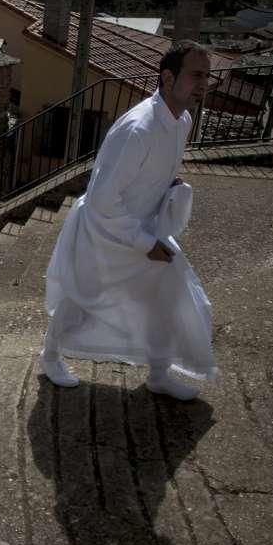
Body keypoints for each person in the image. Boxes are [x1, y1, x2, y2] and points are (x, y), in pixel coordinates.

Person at [40, 40, 218, 400]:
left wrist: (168, 185)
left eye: (208, 76)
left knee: (168, 294)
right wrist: (143, 242)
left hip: (144, 227)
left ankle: (158, 372)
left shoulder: (181, 120)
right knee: (81, 297)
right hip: (104, 231)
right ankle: (50, 356)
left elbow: (144, 175)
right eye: (196, 75)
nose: (204, 84)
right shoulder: (139, 128)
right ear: (168, 78)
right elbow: (104, 200)